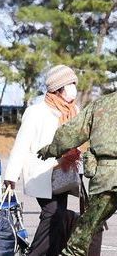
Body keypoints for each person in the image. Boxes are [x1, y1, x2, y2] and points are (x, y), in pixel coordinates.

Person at [4, 64, 81, 256]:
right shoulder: (36, 112)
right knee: (52, 214)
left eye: (74, 83)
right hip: (41, 175)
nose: (74, 88)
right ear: (58, 88)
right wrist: (11, 176)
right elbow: (21, 145)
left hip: (63, 174)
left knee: (58, 217)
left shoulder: (74, 111)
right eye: (70, 84)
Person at [37, 90, 117, 256]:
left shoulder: (101, 104)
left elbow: (71, 133)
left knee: (79, 242)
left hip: (107, 179)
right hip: (107, 176)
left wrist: (50, 150)